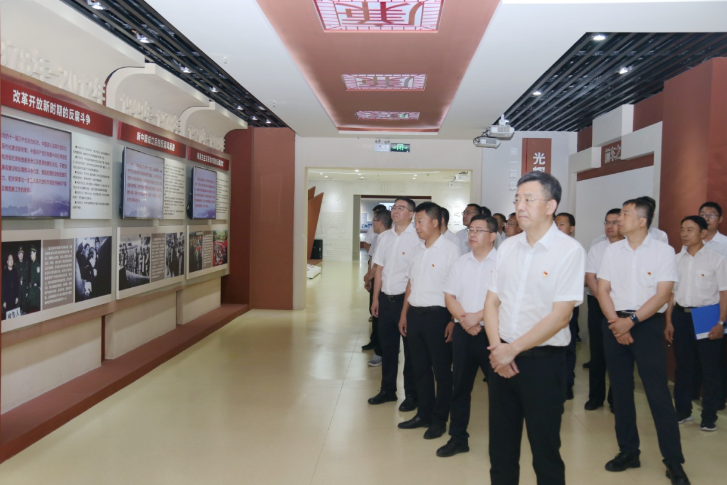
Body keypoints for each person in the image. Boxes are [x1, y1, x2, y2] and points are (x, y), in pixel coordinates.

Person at [484, 171, 585, 485]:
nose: (520, 206)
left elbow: (561, 316)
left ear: (551, 205)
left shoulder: (569, 251)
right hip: (501, 358)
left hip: (543, 363)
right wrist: (498, 350)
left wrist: (511, 350)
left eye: (529, 199)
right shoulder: (507, 248)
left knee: (545, 450)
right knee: (500, 447)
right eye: (517, 199)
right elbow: (491, 303)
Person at [597, 197, 689, 485]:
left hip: (647, 326)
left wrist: (631, 322)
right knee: (621, 392)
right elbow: (602, 290)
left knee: (657, 393)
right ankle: (629, 451)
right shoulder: (612, 251)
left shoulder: (663, 251)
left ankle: (673, 461)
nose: (619, 219)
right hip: (615, 324)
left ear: (642, 220)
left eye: (625, 214)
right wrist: (617, 323)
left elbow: (662, 295)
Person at [397, 202, 460, 439]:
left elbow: (457, 289)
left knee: (441, 371)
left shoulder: (451, 250)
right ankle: (423, 413)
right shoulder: (417, 249)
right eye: (415, 222)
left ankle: (439, 419)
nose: (416, 226)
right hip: (415, 314)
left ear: (435, 222)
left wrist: (453, 320)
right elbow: (410, 284)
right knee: (419, 368)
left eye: (420, 222)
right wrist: (404, 314)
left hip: (438, 316)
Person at [437, 214, 497, 458]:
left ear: (493, 236)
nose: (472, 234)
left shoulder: (504, 263)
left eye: (479, 230)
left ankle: (501, 443)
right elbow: (449, 296)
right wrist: (465, 320)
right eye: (471, 230)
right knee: (460, 387)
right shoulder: (461, 262)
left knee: (499, 391)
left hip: (493, 335)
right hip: (464, 332)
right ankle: (458, 438)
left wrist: (478, 317)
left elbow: (507, 298)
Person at [665, 215, 726, 432]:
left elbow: (724, 293)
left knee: (710, 368)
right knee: (683, 366)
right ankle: (683, 411)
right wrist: (669, 320)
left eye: (690, 230)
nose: (684, 234)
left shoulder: (717, 259)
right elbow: (671, 294)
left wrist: (721, 322)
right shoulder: (675, 259)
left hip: (707, 315)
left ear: (703, 233)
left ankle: (709, 416)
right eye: (682, 229)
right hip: (682, 316)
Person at [368, 197, 419, 412]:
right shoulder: (384, 237)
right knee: (388, 349)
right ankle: (388, 390)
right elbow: (379, 269)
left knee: (410, 351)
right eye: (394, 207)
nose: (395, 211)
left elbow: (414, 277)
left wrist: (406, 310)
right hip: (386, 301)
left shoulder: (417, 237)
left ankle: (412, 395)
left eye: (401, 208)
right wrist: (375, 298)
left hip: (406, 302)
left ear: (411, 214)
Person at [584, 208, 622, 411]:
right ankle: (595, 397)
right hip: (598, 304)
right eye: (607, 222)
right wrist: (603, 300)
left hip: (621, 307)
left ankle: (616, 399)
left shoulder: (628, 249)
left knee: (618, 354)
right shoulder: (597, 248)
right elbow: (590, 277)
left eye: (614, 222)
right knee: (597, 352)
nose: (610, 226)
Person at [554, 212, 580, 399]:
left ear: (572, 229)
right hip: (546, 305)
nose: (557, 227)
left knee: (567, 345)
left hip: (567, 305)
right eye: (555, 223)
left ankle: (567, 384)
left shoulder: (574, 250)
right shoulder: (546, 248)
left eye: (561, 224)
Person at [363, 209, 392, 366]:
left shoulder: (389, 239)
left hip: (383, 283)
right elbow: (372, 259)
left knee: (381, 318)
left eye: (374, 220)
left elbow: (379, 266)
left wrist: (370, 277)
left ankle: (381, 352)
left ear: (380, 222)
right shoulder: (378, 238)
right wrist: (369, 277)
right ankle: (375, 343)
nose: (372, 224)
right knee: (375, 316)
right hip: (375, 280)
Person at [2, 253, 20, 319]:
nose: (11, 261)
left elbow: (17, 285)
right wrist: (3, 301)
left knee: (14, 318)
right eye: (9, 259)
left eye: (12, 259)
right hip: (7, 300)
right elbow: (2, 288)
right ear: (7, 261)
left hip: (14, 299)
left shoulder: (15, 272)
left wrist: (17, 296)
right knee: (7, 318)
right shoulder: (4, 273)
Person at [27, 245, 41, 313]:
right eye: (30, 254)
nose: (30, 255)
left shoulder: (37, 265)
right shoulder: (31, 264)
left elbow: (39, 279)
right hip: (31, 290)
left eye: (32, 253)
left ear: (35, 253)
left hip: (35, 291)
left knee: (35, 310)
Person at [16, 246, 29, 314]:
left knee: (25, 305)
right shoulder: (15, 265)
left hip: (24, 287)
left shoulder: (26, 264)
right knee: (18, 305)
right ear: (18, 255)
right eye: (19, 254)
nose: (21, 255)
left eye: (22, 254)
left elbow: (27, 278)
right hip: (18, 288)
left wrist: (27, 290)